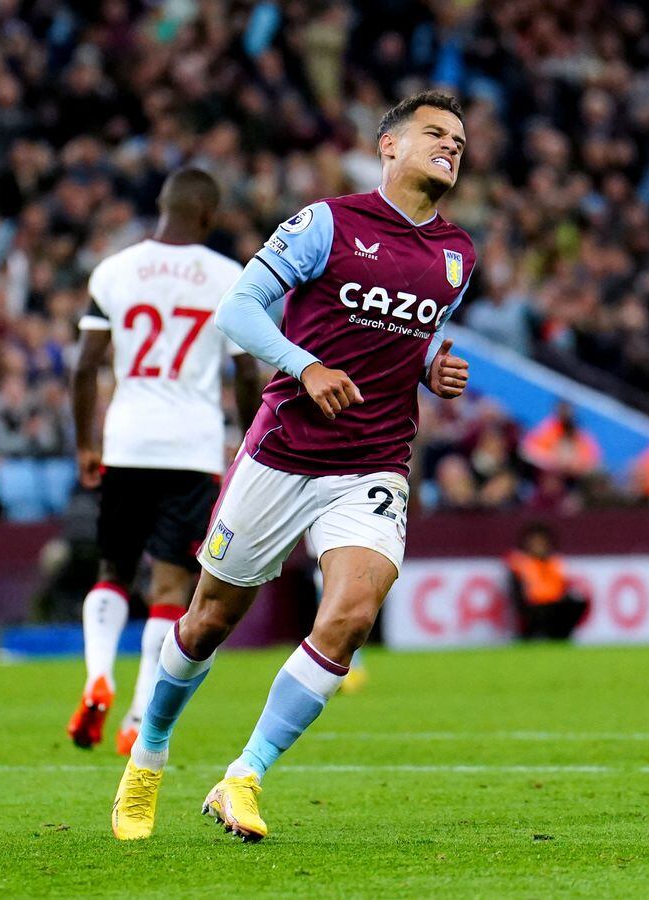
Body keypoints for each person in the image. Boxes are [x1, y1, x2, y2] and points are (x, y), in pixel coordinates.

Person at [112, 91, 475, 841]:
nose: (451, 147)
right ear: (389, 147)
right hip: (283, 450)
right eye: (436, 134)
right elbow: (240, 309)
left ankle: (242, 777)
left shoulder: (457, 254)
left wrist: (433, 364)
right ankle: (148, 754)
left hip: (373, 462)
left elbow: (411, 338)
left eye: (460, 142)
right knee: (209, 619)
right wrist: (305, 367)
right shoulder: (327, 223)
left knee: (348, 617)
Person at [68, 168, 261, 754]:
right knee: (172, 584)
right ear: (209, 216)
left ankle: (97, 674)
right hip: (193, 446)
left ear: (161, 204)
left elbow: (84, 368)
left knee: (112, 571)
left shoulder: (113, 270)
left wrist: (85, 443)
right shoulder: (230, 279)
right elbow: (247, 369)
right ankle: (135, 716)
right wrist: (251, 437)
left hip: (126, 442)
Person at [506, 523, 589, 641]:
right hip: (534, 607)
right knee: (541, 612)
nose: (538, 546)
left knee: (576, 602)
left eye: (541, 542)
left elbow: (563, 585)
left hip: (555, 603)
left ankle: (561, 635)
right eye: (534, 542)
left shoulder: (555, 562)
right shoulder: (520, 562)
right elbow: (517, 592)